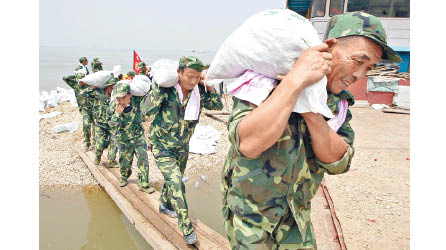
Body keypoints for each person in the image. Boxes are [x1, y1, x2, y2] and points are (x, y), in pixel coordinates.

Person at [221, 12, 401, 249]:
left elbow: (339, 162)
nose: (360, 75)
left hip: (298, 218)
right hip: (250, 217)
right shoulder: (265, 83)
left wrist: (310, 107)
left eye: (369, 67)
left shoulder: (339, 103)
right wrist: (295, 82)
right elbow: (249, 145)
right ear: (329, 47)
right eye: (359, 61)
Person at [141, 56, 223, 245]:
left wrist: (209, 87)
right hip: (162, 146)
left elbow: (217, 106)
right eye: (189, 77)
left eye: (197, 77)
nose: (193, 81)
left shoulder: (199, 92)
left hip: (182, 146)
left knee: (173, 181)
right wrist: (158, 87)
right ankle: (186, 228)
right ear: (178, 73)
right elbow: (146, 109)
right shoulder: (167, 90)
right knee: (177, 183)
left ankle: (164, 204)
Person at [108, 83, 155, 194]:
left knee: (143, 159)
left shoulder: (136, 101)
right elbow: (111, 125)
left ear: (130, 95)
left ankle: (144, 184)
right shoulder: (113, 107)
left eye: (123, 97)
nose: (120, 100)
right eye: (118, 97)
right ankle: (124, 177)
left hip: (138, 136)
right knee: (125, 161)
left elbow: (149, 93)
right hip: (123, 138)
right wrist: (118, 114)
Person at [80, 76, 117, 166]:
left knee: (114, 142)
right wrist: (93, 87)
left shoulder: (115, 96)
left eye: (114, 87)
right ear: (107, 86)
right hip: (100, 123)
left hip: (112, 123)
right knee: (100, 143)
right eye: (111, 87)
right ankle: (97, 158)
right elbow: (82, 94)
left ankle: (111, 161)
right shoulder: (98, 93)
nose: (113, 89)